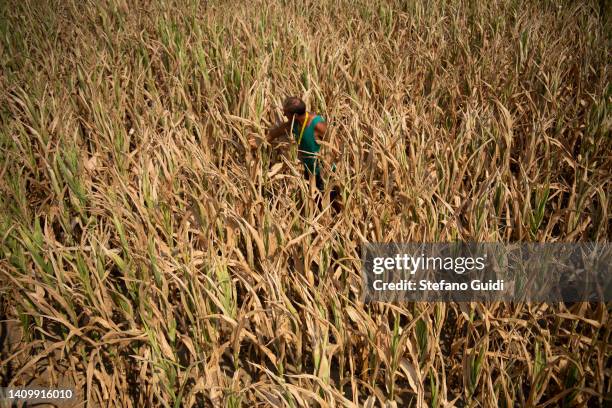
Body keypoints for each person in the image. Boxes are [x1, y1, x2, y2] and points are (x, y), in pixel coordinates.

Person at [249, 96, 340, 210]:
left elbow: (336, 144)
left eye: (286, 113)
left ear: (295, 115)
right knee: (317, 201)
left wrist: (331, 165)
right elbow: (274, 133)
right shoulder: (294, 123)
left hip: (324, 172)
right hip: (309, 170)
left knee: (332, 200)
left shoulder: (318, 125)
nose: (284, 115)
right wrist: (258, 143)